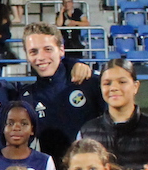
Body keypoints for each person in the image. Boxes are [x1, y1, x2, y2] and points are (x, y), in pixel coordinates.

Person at [20, 21, 103, 160]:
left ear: (61, 50)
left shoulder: (89, 82)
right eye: (33, 52)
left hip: (91, 169)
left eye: (48, 49)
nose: (41, 57)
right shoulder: (27, 96)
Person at [78, 58, 148, 170]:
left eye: (122, 82)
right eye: (107, 83)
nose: (114, 88)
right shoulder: (87, 132)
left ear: (135, 86)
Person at [0, 100, 59, 170]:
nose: (16, 128)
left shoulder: (44, 161)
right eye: (10, 123)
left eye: (24, 124)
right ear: (3, 128)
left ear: (32, 129)